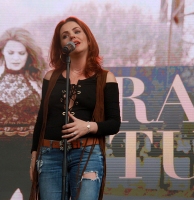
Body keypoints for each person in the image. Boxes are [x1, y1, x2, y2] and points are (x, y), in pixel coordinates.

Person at [29, 16, 121, 200]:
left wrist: (87, 126)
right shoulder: (51, 77)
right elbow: (42, 119)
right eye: (65, 35)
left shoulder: (105, 78)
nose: (72, 36)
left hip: (87, 154)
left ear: (87, 37)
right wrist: (34, 155)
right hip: (49, 155)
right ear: (61, 45)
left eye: (77, 31)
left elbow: (114, 124)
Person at [0, 28, 46, 200]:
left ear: (29, 55)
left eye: (21, 53)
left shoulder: (39, 82)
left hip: (30, 158)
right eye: (11, 52)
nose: (16, 58)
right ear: (3, 52)